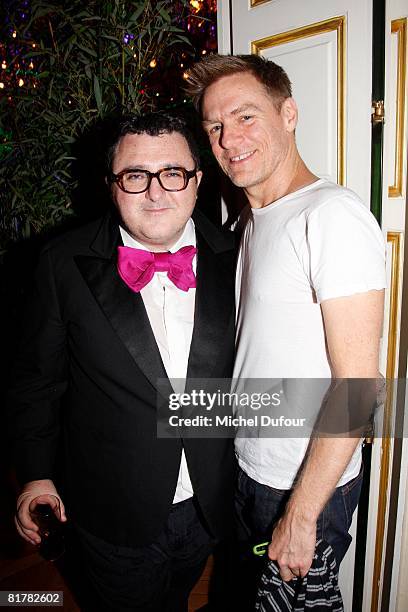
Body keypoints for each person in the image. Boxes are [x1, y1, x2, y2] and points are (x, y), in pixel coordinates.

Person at [9, 112, 237, 611]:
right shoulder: (61, 262)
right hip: (111, 513)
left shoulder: (238, 253)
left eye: (173, 173)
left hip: (208, 505)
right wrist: (36, 475)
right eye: (135, 176)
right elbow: (36, 384)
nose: (156, 193)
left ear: (198, 181)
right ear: (112, 186)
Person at [186, 54, 386, 604]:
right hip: (251, 469)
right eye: (216, 127)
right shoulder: (249, 221)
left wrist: (301, 512)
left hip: (305, 488)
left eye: (246, 116)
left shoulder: (331, 217)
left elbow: (358, 388)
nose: (230, 139)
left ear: (289, 113)